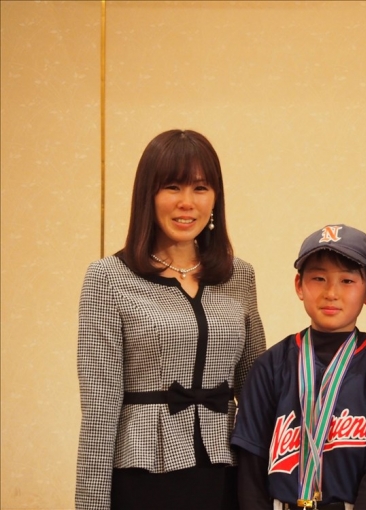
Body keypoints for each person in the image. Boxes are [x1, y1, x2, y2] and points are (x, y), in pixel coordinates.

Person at [76, 129, 266, 509]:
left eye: (200, 188)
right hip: (144, 473)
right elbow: (99, 409)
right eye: (172, 187)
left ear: (215, 198)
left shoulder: (239, 276)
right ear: (148, 195)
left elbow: (256, 390)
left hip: (225, 471)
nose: (187, 203)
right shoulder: (108, 278)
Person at [232, 224, 366, 510]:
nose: (331, 292)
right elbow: (251, 467)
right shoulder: (270, 365)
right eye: (318, 278)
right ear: (299, 285)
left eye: (347, 280)